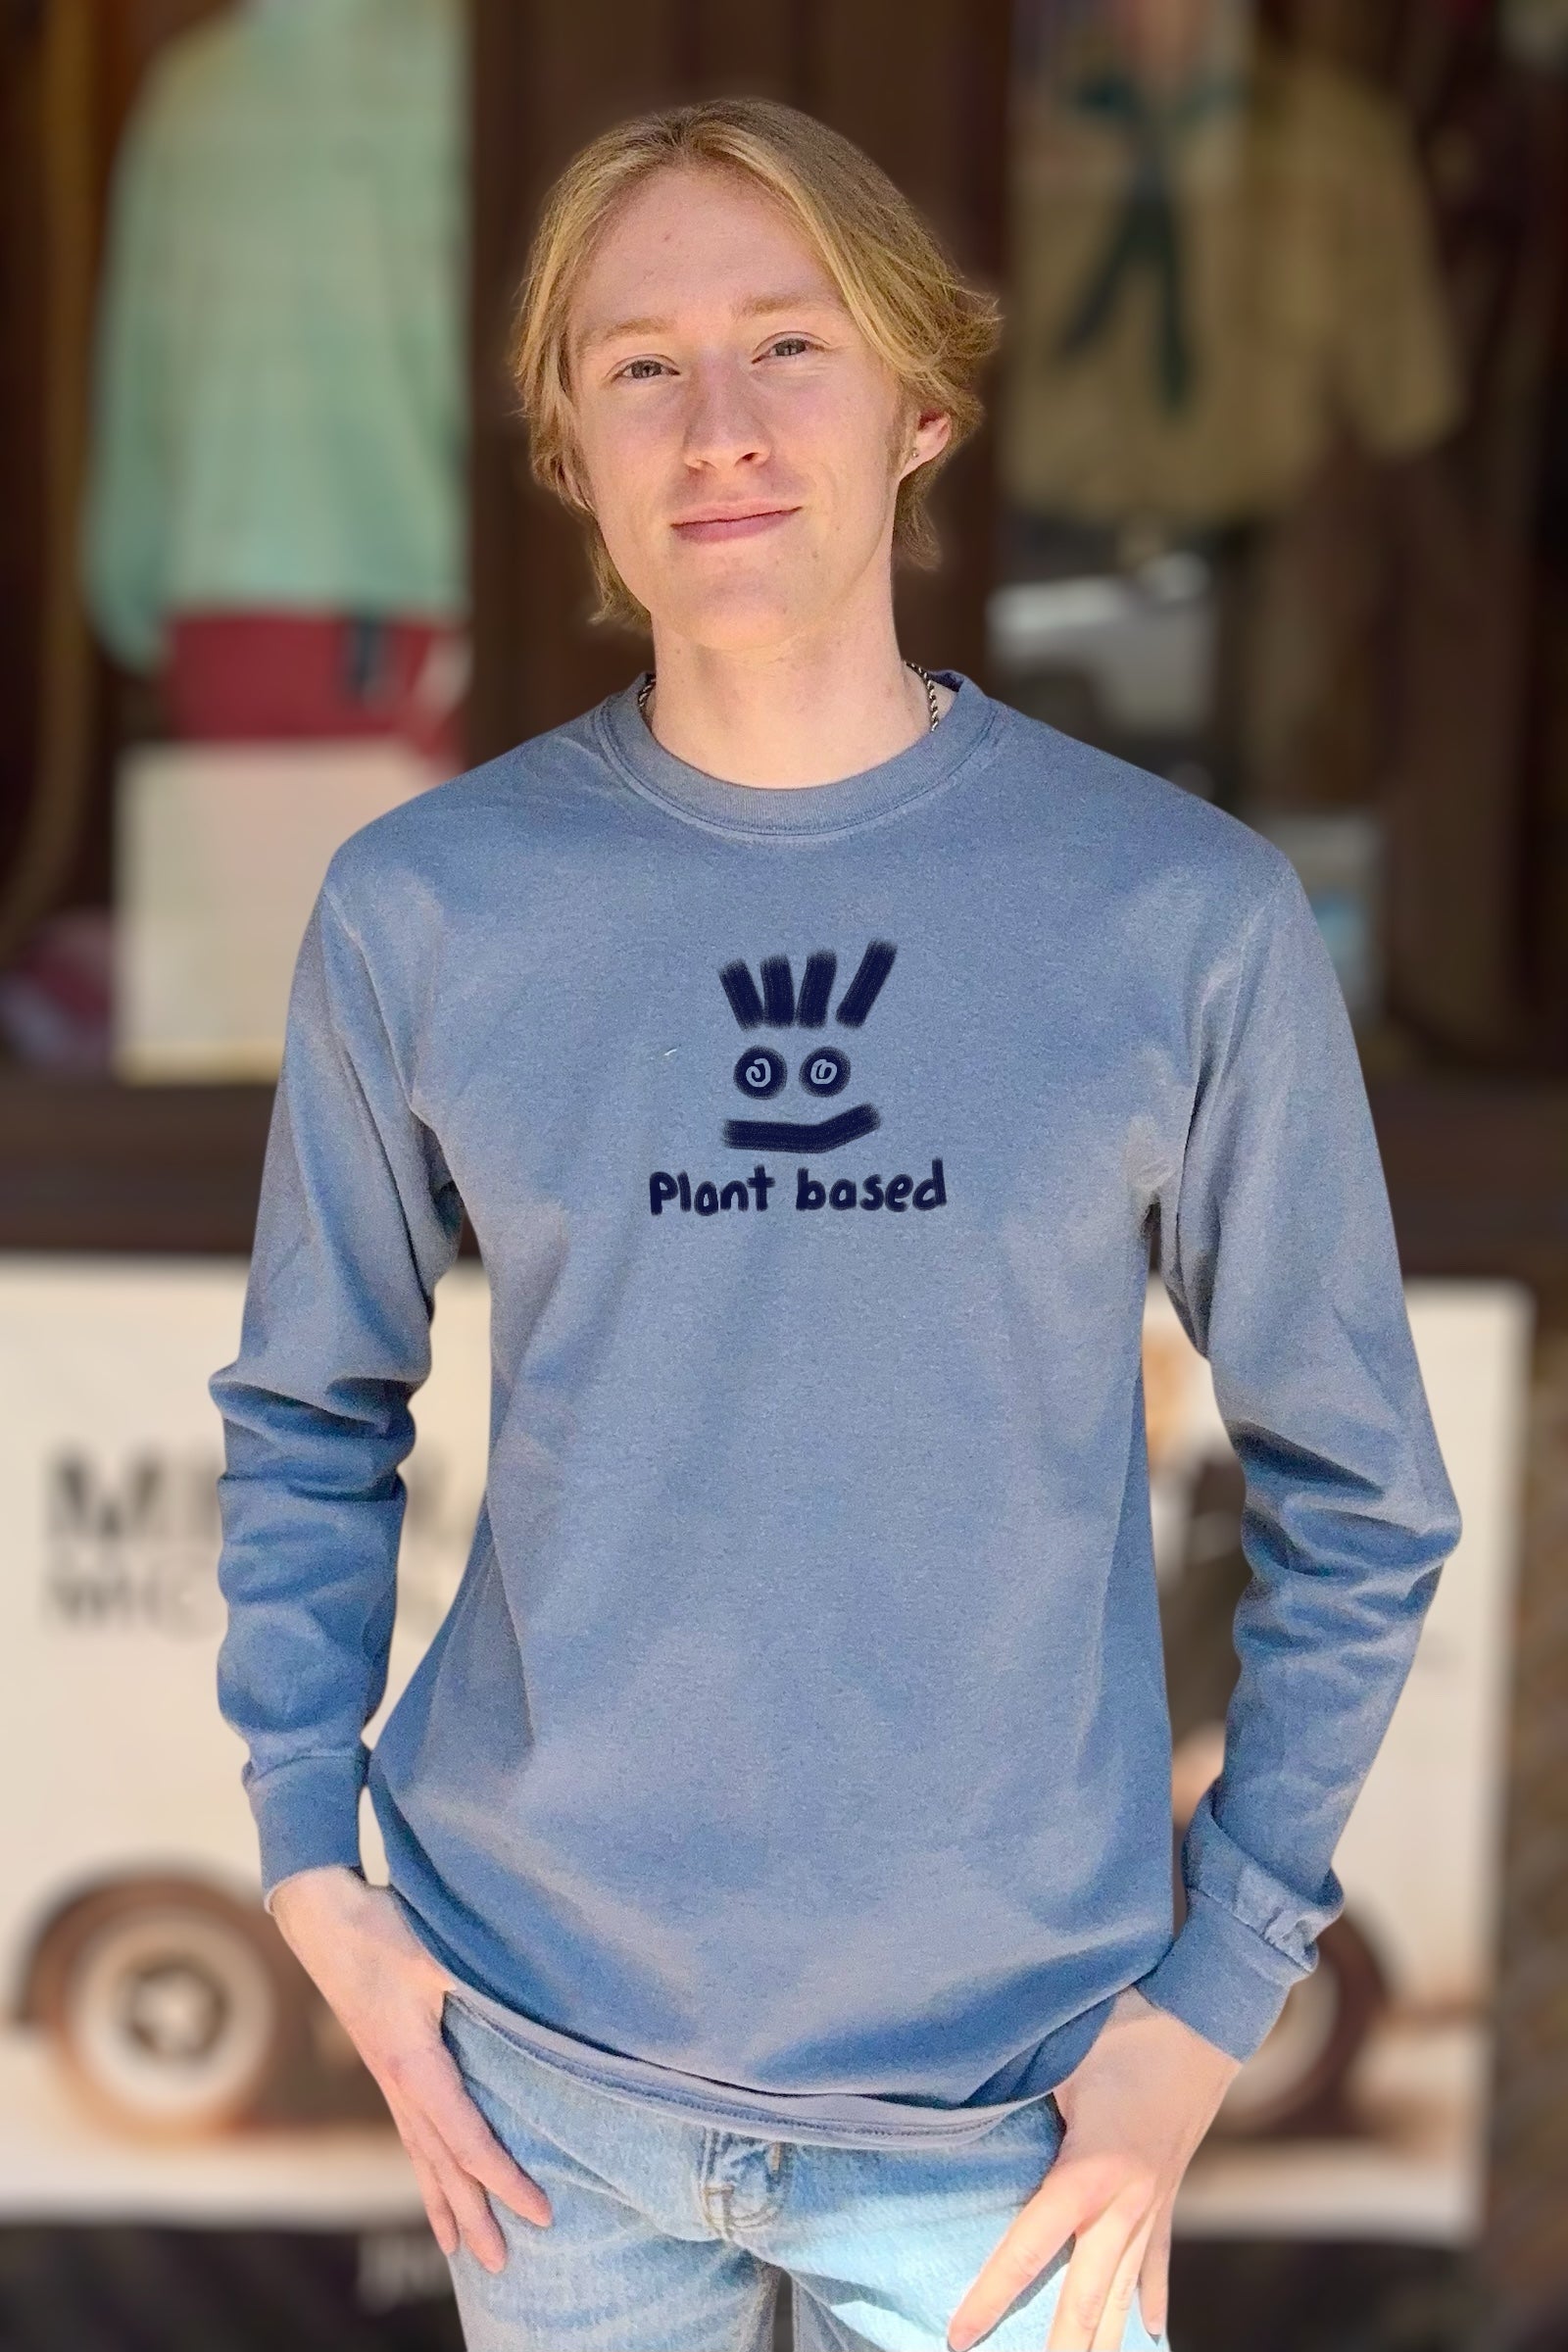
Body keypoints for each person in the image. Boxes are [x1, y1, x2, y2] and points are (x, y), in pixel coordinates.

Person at [210, 98, 1460, 2352]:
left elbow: (1358, 1489)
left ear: (919, 405)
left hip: (1011, 2122)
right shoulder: (429, 910)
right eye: (639, 366)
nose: (717, 425)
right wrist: (311, 1864)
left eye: (786, 345)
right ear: (566, 447)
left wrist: (1212, 2001)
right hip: (541, 2085)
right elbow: (309, 1410)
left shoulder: (1171, 916)